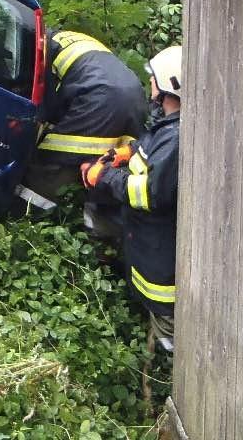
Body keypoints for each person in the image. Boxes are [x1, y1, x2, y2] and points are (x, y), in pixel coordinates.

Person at [83, 44, 182, 352]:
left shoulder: (177, 137)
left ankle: (162, 376)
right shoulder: (167, 124)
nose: (149, 83)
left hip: (160, 271)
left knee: (169, 342)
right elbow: (152, 144)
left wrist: (104, 177)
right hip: (146, 252)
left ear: (168, 84)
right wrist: (126, 153)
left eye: (153, 78)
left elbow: (148, 193)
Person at [22, 29, 150, 236]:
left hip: (99, 99)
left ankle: (26, 222)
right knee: (109, 165)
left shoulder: (38, 49)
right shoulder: (64, 38)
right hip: (134, 96)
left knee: (48, 164)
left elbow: (40, 108)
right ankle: (106, 238)